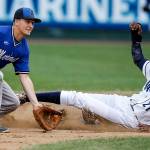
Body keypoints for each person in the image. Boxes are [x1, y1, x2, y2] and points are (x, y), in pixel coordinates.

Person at [20, 22, 150, 131]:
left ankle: (97, 120)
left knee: (82, 101)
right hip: (125, 102)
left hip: (131, 118)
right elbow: (138, 58)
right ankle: (26, 98)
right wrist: (136, 38)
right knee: (77, 97)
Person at [0, 7, 42, 133]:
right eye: (27, 21)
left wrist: (36, 104)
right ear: (16, 21)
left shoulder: (23, 49)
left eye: (32, 23)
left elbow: (24, 77)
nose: (30, 25)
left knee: (13, 102)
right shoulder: (1, 33)